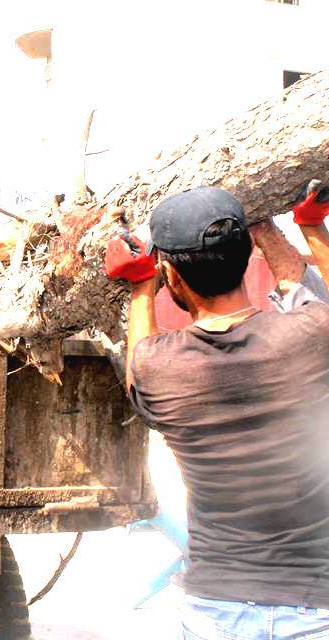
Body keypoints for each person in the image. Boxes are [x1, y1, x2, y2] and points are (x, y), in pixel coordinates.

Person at [105, 182, 329, 640]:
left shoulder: (162, 370)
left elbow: (138, 359)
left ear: (173, 278)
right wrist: (303, 225)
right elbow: (294, 283)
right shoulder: (310, 337)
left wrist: (140, 286)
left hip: (217, 613)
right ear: (247, 256)